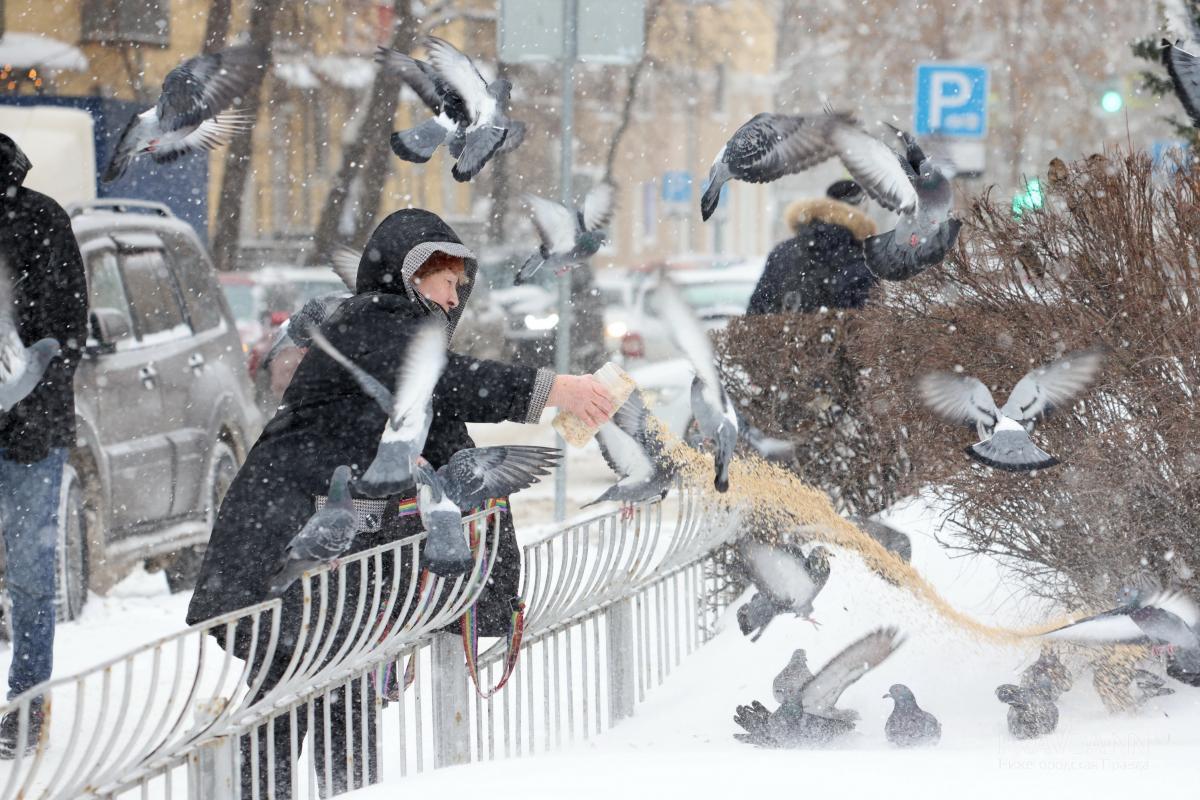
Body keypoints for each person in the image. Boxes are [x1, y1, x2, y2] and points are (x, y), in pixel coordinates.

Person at [186, 208, 613, 796]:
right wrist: (554, 388)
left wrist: (486, 580)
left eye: (462, 283)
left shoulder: (401, 335)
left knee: (341, 690)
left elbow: (450, 449)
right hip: (285, 543)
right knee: (286, 696)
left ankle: (348, 790)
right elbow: (451, 382)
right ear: (411, 275)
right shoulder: (371, 320)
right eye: (445, 278)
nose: (455, 292)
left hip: (330, 566)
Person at [0, 134, 88, 758]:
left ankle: (26, 711)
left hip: (31, 430)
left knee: (32, 575)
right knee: (31, 576)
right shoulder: (45, 218)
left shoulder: (41, 220)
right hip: (35, 426)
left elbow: (70, 326)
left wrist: (31, 386)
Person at [746, 180, 878, 315]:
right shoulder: (865, 260)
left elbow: (755, 313)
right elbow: (871, 325)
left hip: (782, 334)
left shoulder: (782, 252)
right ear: (861, 210)